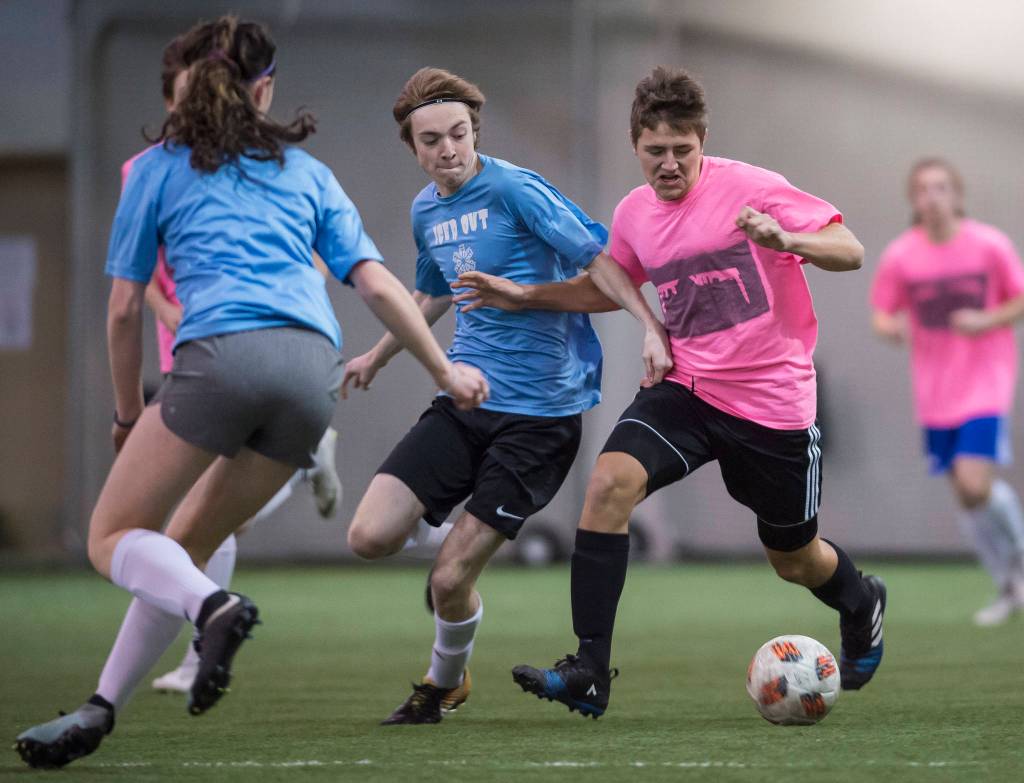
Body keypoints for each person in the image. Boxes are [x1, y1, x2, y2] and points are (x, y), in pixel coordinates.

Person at [14, 18, 487, 769]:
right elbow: (375, 284)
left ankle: (215, 606)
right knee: (184, 549)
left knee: (112, 537)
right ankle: (99, 709)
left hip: (222, 359)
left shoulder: (155, 168)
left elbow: (124, 309)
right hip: (312, 372)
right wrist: (444, 371)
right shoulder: (307, 171)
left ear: (181, 93)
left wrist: (128, 415)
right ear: (264, 90)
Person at [461, 66, 885, 718]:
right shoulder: (633, 213)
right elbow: (610, 287)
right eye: (654, 150)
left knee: (794, 560)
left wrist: (788, 239)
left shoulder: (751, 188)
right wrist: (524, 296)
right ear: (635, 145)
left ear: (702, 142)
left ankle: (860, 600)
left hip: (772, 405)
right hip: (687, 388)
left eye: (682, 150)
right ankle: (590, 669)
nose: (668, 164)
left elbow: (848, 248)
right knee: (609, 482)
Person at [342, 67, 671, 725]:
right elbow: (433, 293)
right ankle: (446, 543)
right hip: (466, 401)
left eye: (458, 134)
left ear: (475, 131)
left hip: (540, 419)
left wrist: (650, 327)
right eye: (431, 140)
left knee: (447, 580)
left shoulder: (516, 189)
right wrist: (377, 355)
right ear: (412, 147)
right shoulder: (426, 210)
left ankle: (443, 684)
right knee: (368, 536)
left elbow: (600, 261)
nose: (448, 150)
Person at [133, 33, 343, 698]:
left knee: (195, 519)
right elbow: (131, 273)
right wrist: (166, 309)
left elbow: (317, 252)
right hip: (189, 346)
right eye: (183, 95)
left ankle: (198, 643)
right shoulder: (150, 169)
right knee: (211, 518)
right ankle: (302, 465)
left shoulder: (265, 168)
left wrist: (290, 295)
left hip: (239, 348)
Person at [871, 158, 1024, 626]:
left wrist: (986, 319)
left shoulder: (988, 245)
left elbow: (1019, 298)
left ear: (957, 195)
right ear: (913, 199)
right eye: (923, 189)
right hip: (936, 391)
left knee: (974, 482)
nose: (932, 197)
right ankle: (1008, 587)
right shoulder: (901, 256)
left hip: (985, 381)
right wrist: (892, 328)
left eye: (941, 188)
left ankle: (1019, 561)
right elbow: (882, 314)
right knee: (966, 495)